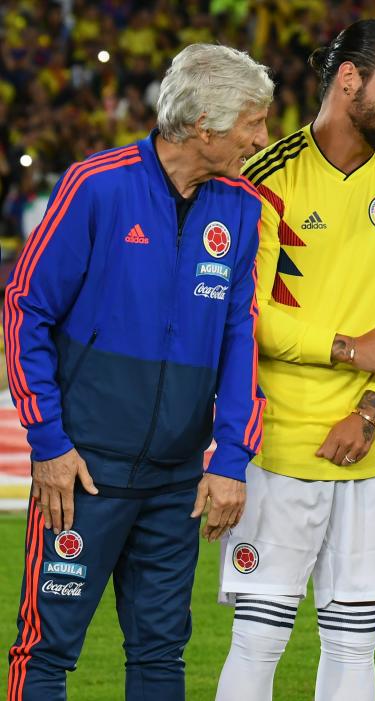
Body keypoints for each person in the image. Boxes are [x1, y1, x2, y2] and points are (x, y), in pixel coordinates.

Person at [4, 44, 272, 701]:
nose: (261, 139)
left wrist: (232, 457)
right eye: (253, 124)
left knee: (159, 657)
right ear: (205, 125)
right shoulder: (96, 185)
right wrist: (50, 444)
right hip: (82, 473)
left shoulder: (241, 206)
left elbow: (242, 336)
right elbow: (24, 311)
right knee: (46, 653)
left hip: (178, 480)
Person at [215, 19, 375, 701]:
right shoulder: (265, 178)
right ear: (350, 80)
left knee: (353, 636)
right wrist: (348, 348)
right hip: (279, 440)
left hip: (373, 444)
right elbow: (247, 313)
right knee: (260, 633)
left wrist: (371, 408)